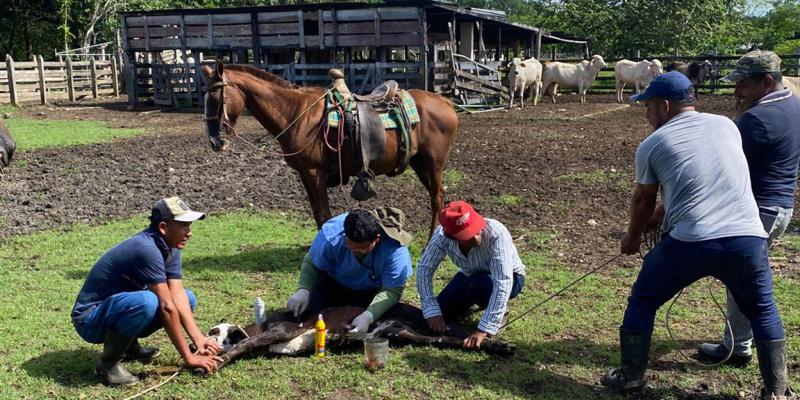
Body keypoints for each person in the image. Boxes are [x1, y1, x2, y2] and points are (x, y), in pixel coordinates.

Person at [601, 72, 791, 399]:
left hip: (691, 240)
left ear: (664, 106)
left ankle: (630, 376)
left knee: (644, 300)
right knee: (763, 310)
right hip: (748, 236)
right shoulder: (727, 125)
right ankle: (778, 391)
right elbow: (709, 175)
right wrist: (667, 211)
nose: (646, 114)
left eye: (647, 107)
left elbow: (643, 199)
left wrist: (631, 239)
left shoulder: (653, 144)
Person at [698, 50, 800, 367]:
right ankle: (743, 337)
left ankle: (739, 347)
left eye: (743, 84)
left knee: (742, 280)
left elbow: (728, 169)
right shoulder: (795, 106)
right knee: (751, 276)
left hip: (759, 210)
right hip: (782, 205)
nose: (737, 91)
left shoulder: (755, 120)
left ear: (767, 81)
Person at [71, 197, 222, 386]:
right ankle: (108, 363)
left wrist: (199, 339)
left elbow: (177, 294)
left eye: (189, 226)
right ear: (163, 227)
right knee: (147, 301)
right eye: (184, 226)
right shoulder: (146, 249)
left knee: (187, 298)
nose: (189, 233)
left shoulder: (171, 247)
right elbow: (167, 307)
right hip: (90, 319)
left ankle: (129, 346)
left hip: (117, 308)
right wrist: (189, 357)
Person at [285, 207, 413, 340]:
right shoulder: (331, 235)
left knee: (388, 320)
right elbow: (312, 261)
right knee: (308, 315)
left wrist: (368, 316)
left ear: (377, 239)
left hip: (372, 293)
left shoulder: (395, 250)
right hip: (332, 284)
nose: (355, 250)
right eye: (350, 244)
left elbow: (392, 291)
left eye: (363, 248)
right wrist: (303, 289)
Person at [416, 201, 525, 350]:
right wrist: (431, 310)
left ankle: (498, 311)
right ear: (452, 237)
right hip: (470, 275)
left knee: (476, 284)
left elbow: (503, 281)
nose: (475, 236)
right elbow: (424, 269)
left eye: (476, 228)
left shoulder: (497, 233)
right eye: (467, 235)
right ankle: (473, 303)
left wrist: (484, 328)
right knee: (441, 315)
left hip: (510, 278)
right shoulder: (441, 237)